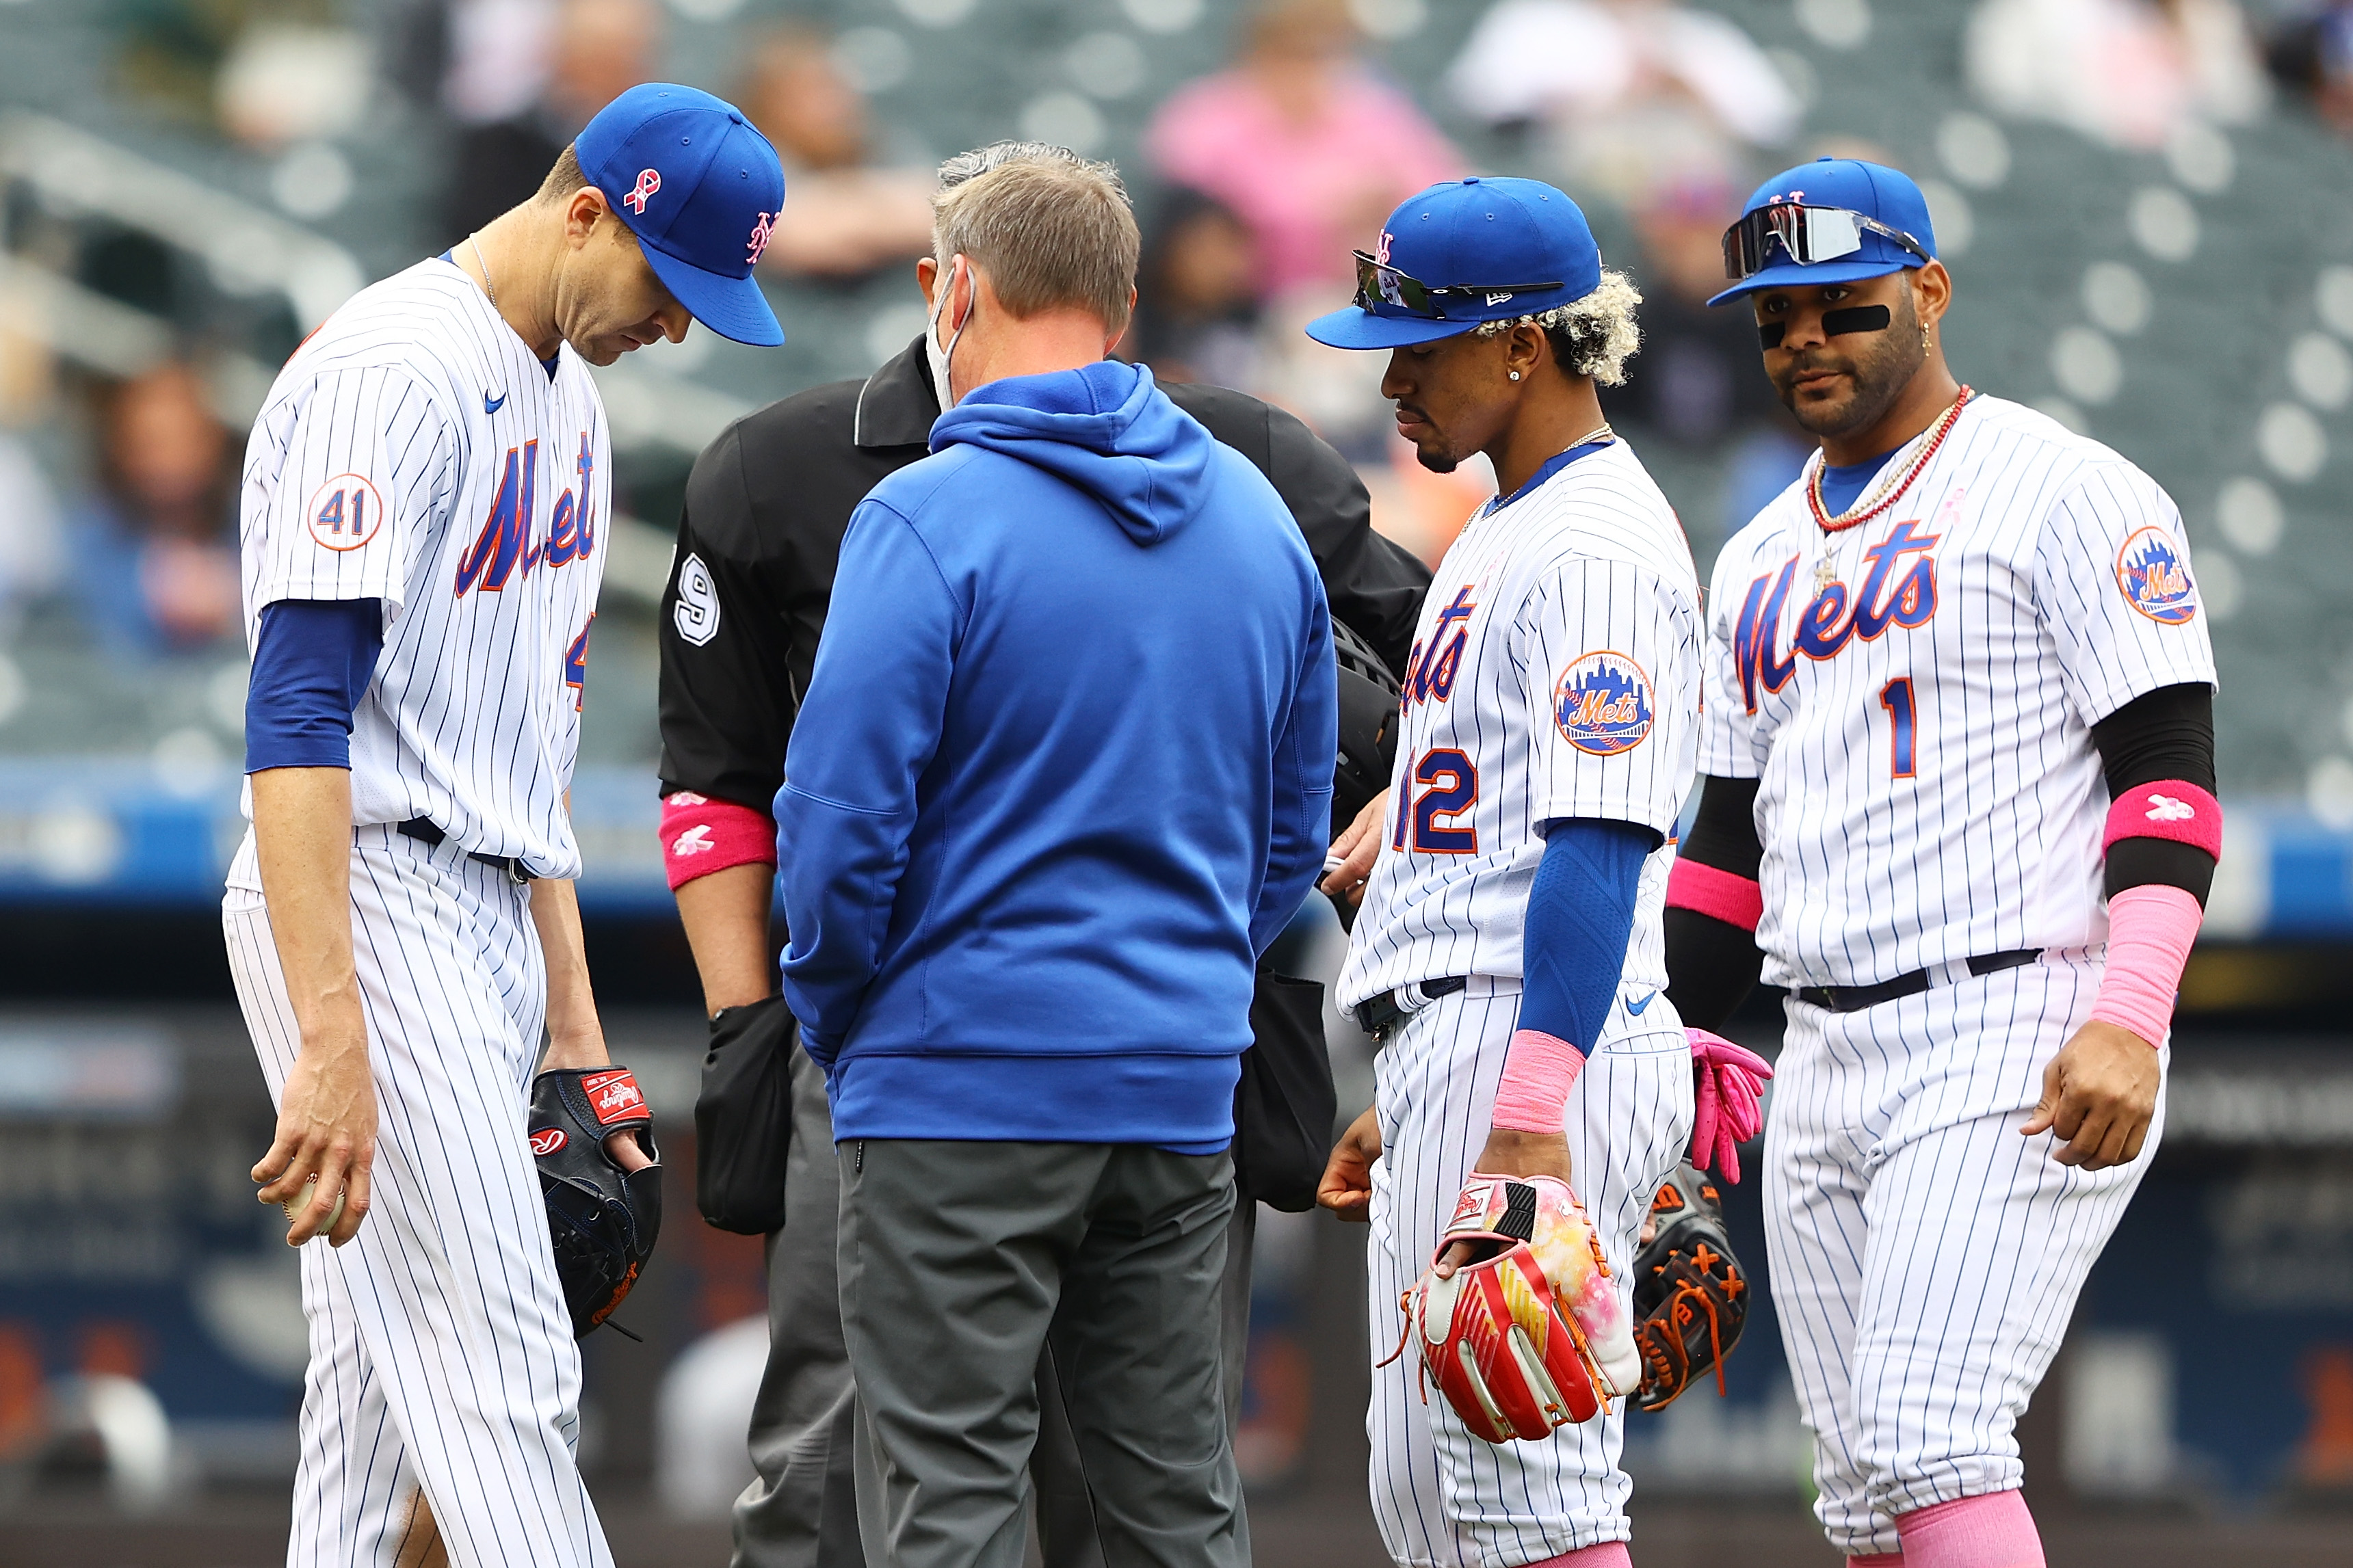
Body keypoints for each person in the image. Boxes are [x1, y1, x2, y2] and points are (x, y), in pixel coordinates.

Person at [654, 138, 1428, 1568]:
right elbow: (1284, 829)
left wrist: (839, 1016)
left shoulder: (924, 511)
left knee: (942, 1496)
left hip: (953, 1078)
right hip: (1175, 1084)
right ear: (1123, 310)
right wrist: (1199, 979)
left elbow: (836, 824)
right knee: (1178, 1495)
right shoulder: (1254, 513)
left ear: (953, 293)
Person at [223, 83, 786, 1568]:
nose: (679, 327)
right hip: (367, 889)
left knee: (378, 1408)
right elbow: (295, 720)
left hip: (483, 904)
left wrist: (579, 1031)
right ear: (587, 208)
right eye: (673, 287)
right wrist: (333, 1027)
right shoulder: (396, 372)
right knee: (507, 1372)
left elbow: (528, 761)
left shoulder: (574, 405)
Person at [1666, 158, 2220, 1567]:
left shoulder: (2063, 490)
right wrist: (1653, 1052)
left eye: (1841, 308)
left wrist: (2130, 1014)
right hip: (1820, 1050)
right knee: (1858, 1494)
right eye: (1772, 316)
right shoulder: (1754, 555)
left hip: (2012, 1022)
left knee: (1929, 1438)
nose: (1803, 340)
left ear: (1927, 291)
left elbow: (2165, 779)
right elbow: (1726, 849)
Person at [1311, 176, 1704, 1567]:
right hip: (1467, 1027)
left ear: (1524, 344)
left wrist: (1527, 1113)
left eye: (1419, 345)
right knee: (1433, 1503)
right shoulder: (1508, 521)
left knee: (1522, 1501)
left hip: (1528, 1041)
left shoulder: (1590, 543)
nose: (1392, 378)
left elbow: (1599, 838)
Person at [1145, 0, 1459, 308]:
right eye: (1295, 52)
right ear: (1260, 50)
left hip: (1355, 295)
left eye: (1326, 52)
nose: (1310, 68)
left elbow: (1442, 197)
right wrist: (1319, 207)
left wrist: (1383, 206)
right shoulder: (1205, 118)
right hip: (1239, 306)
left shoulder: (1375, 112)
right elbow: (1184, 222)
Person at [68, 362, 241, 661]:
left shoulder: (261, 532)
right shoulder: (85, 543)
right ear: (121, 448)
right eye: (151, 442)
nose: (170, 461)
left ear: (215, 439)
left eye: (185, 438)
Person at [736, 25, 936, 279]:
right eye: (812, 92)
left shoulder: (879, 146)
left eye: (836, 87)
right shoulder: (749, 168)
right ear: (769, 105)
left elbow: (938, 211)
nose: (835, 105)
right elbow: (798, 238)